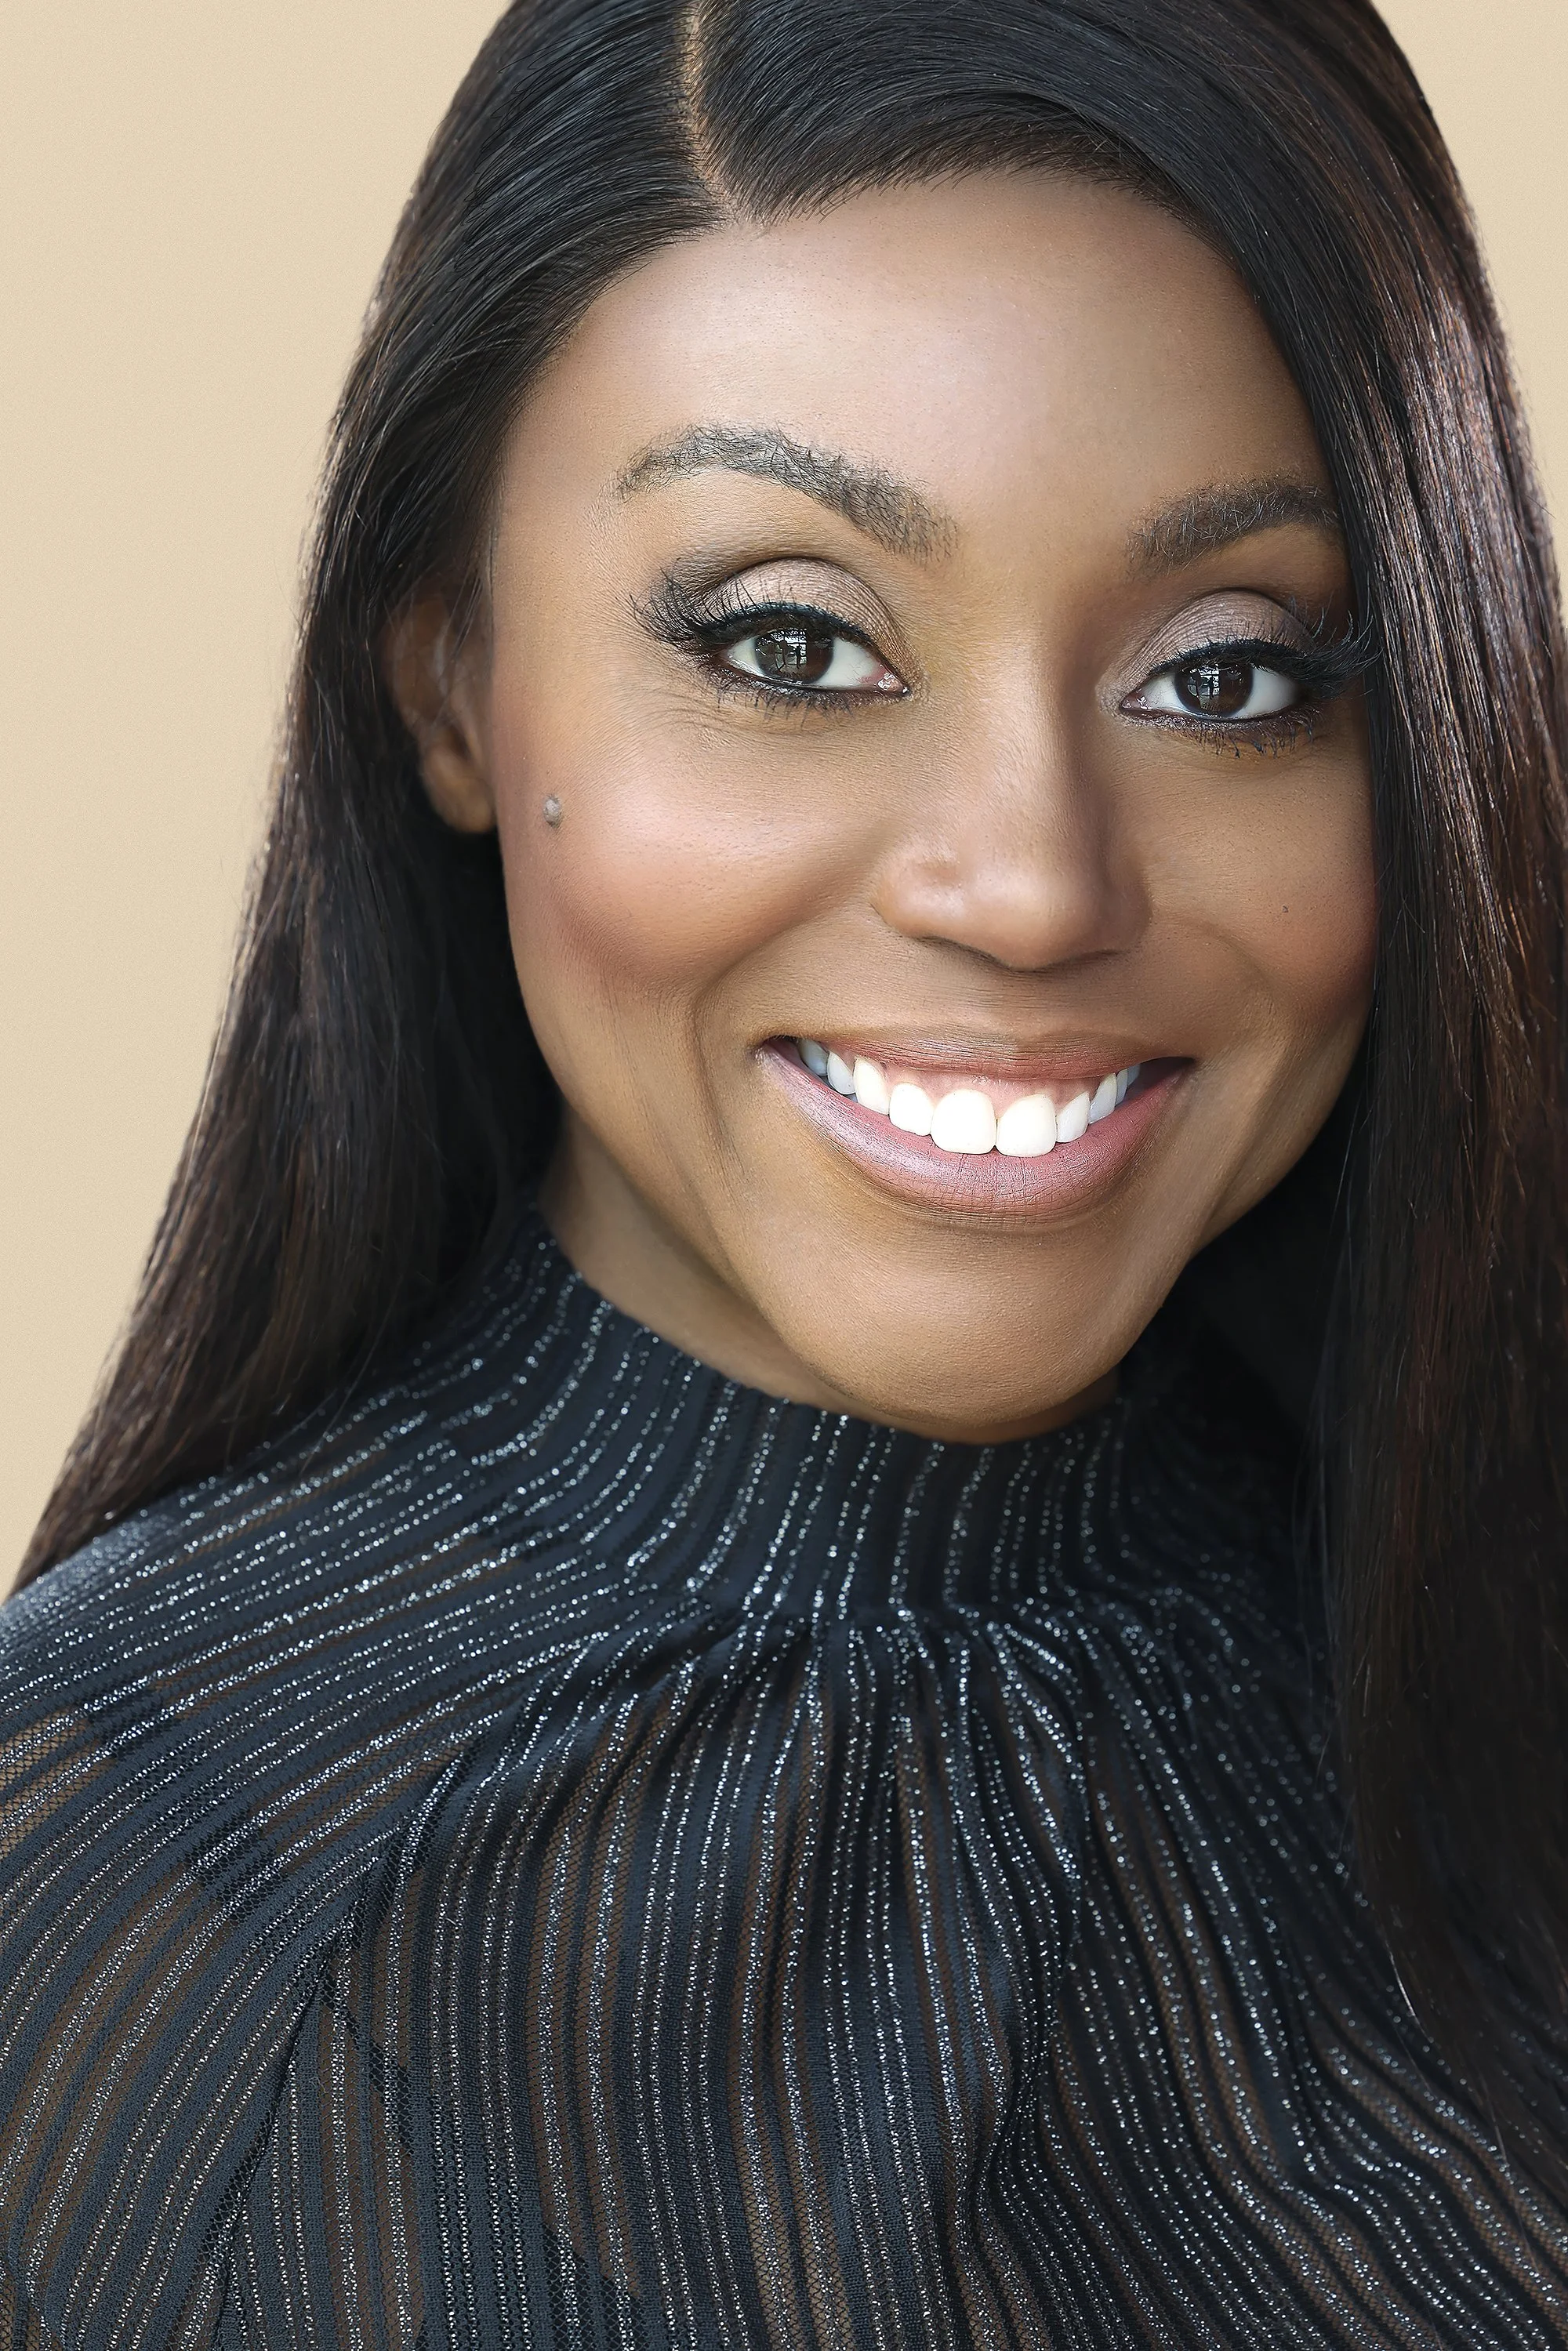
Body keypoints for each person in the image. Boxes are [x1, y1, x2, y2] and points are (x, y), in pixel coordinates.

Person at [5, 0, 1566, 2341]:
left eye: (1232, 674)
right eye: (793, 642)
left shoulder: (1472, 1647)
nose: (1033, 886)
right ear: (449, 682)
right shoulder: (151, 1901)